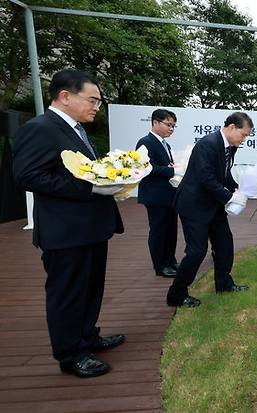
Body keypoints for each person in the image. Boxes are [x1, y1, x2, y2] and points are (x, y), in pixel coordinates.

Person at [12, 69, 125, 378]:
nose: (96, 107)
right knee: (68, 293)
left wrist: (112, 180)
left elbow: (81, 171)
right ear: (65, 96)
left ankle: (87, 337)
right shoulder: (41, 128)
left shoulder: (75, 129)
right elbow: (27, 176)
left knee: (90, 287)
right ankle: (70, 354)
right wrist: (91, 188)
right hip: (65, 231)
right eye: (92, 100)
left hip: (90, 226)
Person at [166, 112, 253, 308]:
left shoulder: (230, 146)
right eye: (244, 134)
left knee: (225, 243)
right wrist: (231, 197)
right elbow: (206, 178)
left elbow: (223, 173)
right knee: (196, 252)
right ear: (231, 127)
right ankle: (176, 294)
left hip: (212, 205)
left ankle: (224, 284)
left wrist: (235, 187)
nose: (244, 139)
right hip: (194, 205)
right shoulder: (208, 144)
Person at [135, 109, 179, 278]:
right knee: (159, 230)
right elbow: (145, 167)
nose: (171, 129)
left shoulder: (166, 144)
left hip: (169, 195)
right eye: (168, 124)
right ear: (155, 122)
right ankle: (160, 265)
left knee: (171, 229)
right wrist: (171, 171)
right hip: (155, 195)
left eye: (174, 126)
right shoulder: (145, 142)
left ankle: (170, 260)